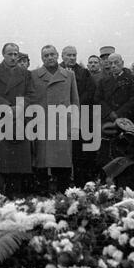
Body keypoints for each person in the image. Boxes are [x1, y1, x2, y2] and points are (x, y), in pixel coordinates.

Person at [0, 43, 35, 198]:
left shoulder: (25, 74)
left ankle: (14, 201)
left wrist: (18, 107)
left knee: (16, 167)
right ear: (3, 55)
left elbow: (31, 94)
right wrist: (6, 106)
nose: (13, 57)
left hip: (18, 120)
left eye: (15, 54)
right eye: (9, 54)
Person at [31, 45, 80, 194]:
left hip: (63, 126)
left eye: (52, 54)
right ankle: (42, 200)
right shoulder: (33, 75)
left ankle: (62, 200)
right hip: (42, 125)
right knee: (41, 165)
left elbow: (75, 101)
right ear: (42, 58)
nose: (49, 57)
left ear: (58, 55)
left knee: (63, 166)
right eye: (46, 56)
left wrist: (74, 126)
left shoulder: (69, 75)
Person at [94, 53, 134, 175]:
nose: (113, 66)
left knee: (123, 154)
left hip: (126, 121)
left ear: (122, 63)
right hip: (108, 122)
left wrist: (119, 113)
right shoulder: (104, 81)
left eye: (116, 63)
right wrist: (110, 112)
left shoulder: (132, 80)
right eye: (111, 63)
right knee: (106, 154)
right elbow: (98, 99)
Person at [59, 46, 97, 187]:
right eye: (69, 55)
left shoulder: (84, 73)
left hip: (79, 118)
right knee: (62, 154)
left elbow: (90, 91)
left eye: (74, 55)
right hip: (59, 118)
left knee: (79, 154)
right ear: (62, 56)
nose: (72, 58)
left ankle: (81, 185)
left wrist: (76, 103)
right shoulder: (56, 71)